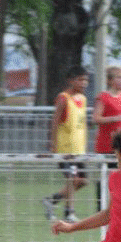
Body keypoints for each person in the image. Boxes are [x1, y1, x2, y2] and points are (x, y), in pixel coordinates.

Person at [42, 65, 89, 223]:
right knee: (73, 179)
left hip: (79, 149)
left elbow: (81, 123)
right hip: (65, 149)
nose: (84, 83)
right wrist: (53, 144)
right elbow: (54, 121)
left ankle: (51, 201)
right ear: (71, 80)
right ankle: (69, 212)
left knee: (82, 181)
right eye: (80, 80)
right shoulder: (63, 98)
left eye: (86, 80)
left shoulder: (82, 99)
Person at [92, 66, 121, 211]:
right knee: (106, 175)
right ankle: (102, 206)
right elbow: (96, 118)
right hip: (106, 144)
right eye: (119, 77)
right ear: (110, 80)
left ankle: (119, 204)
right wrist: (115, 118)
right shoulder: (104, 97)